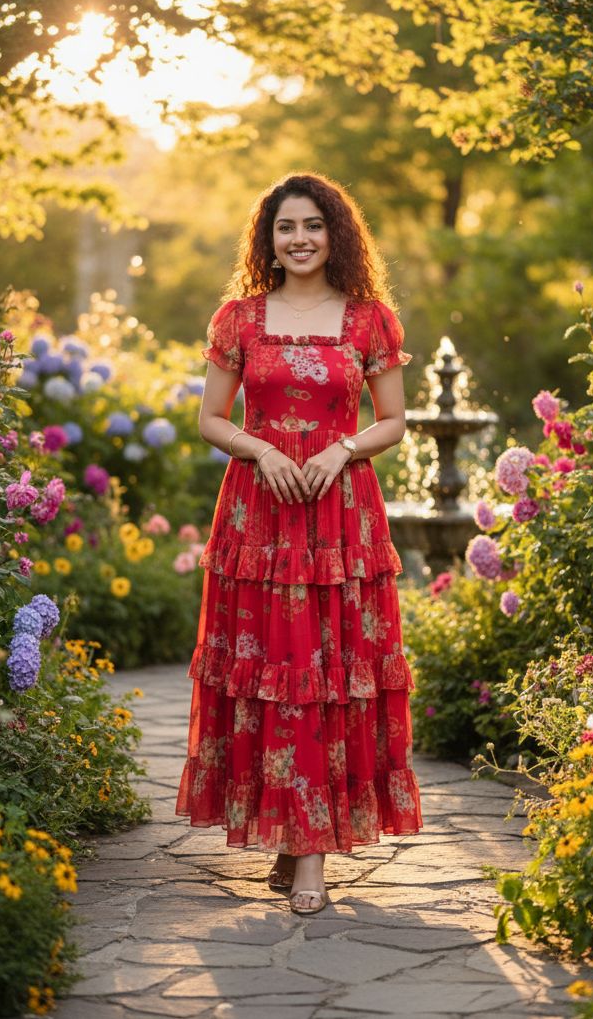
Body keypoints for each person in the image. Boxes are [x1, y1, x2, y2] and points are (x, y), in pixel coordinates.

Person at [176, 171, 423, 915]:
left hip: (341, 517)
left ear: (335, 231)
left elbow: (393, 420)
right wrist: (263, 450)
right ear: (268, 238)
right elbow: (211, 419)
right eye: (286, 227)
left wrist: (341, 451)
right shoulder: (239, 319)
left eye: (313, 224)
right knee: (276, 672)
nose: (301, 238)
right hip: (261, 516)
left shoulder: (370, 320)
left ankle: (309, 851)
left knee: (327, 672)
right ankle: (295, 836)